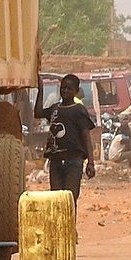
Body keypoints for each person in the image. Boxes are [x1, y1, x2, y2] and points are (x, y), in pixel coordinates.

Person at [39, 74, 97, 203]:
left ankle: (70, 223)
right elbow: (37, 112)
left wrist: (91, 162)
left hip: (74, 161)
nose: (65, 91)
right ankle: (59, 224)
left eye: (69, 89)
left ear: (76, 91)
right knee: (56, 199)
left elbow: (86, 136)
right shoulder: (55, 109)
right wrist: (40, 89)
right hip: (56, 161)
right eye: (63, 88)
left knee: (69, 199)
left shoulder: (78, 110)